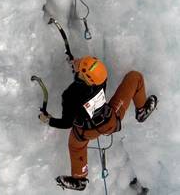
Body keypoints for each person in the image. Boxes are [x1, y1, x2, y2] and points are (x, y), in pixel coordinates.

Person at [38, 55, 158, 191]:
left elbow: (66, 123)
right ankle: (142, 110)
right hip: (110, 120)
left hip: (85, 132)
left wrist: (48, 120)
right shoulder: (101, 79)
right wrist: (76, 64)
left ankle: (79, 179)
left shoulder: (70, 95)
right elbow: (88, 72)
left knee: (76, 147)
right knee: (135, 77)